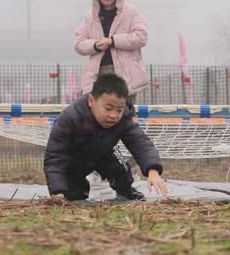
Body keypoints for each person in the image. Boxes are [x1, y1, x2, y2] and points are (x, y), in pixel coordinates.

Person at [44, 73, 168, 202]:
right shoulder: (70, 119)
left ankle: (127, 191)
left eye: (119, 110)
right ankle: (75, 192)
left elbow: (140, 142)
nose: (114, 115)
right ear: (91, 101)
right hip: (74, 159)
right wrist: (57, 191)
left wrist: (153, 170)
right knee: (74, 196)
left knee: (122, 169)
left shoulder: (124, 119)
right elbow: (55, 157)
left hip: (106, 151)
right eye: (108, 109)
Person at [75, 0, 149, 103]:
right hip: (98, 75)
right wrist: (95, 45)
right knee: (97, 116)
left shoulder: (131, 12)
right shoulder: (89, 17)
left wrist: (113, 41)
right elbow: (79, 44)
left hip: (125, 76)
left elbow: (141, 37)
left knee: (125, 114)